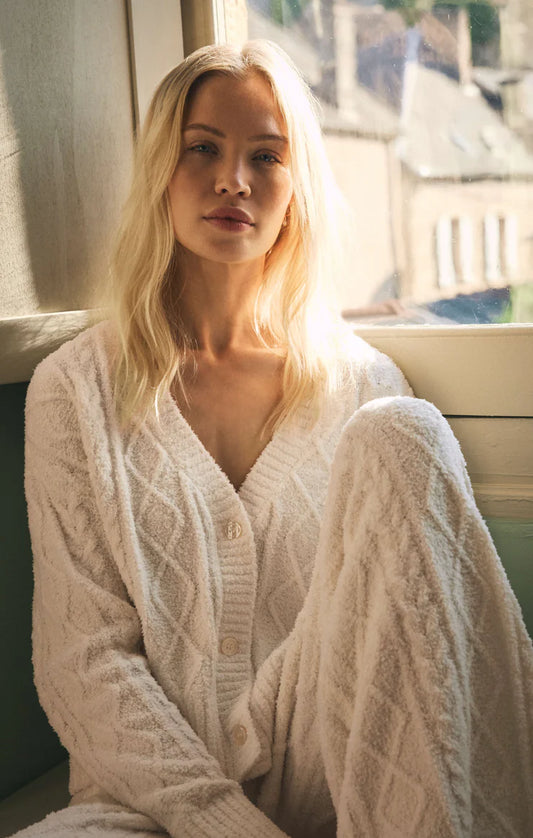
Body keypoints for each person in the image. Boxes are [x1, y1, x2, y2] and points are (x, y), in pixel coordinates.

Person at [13, 40, 533, 838]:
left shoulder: (364, 387)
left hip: (340, 771)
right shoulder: (74, 393)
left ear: (295, 190)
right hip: (151, 801)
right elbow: (85, 661)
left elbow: (401, 647)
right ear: (161, 167)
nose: (233, 180)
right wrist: (224, 822)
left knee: (402, 433)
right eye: (203, 149)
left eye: (266, 155)